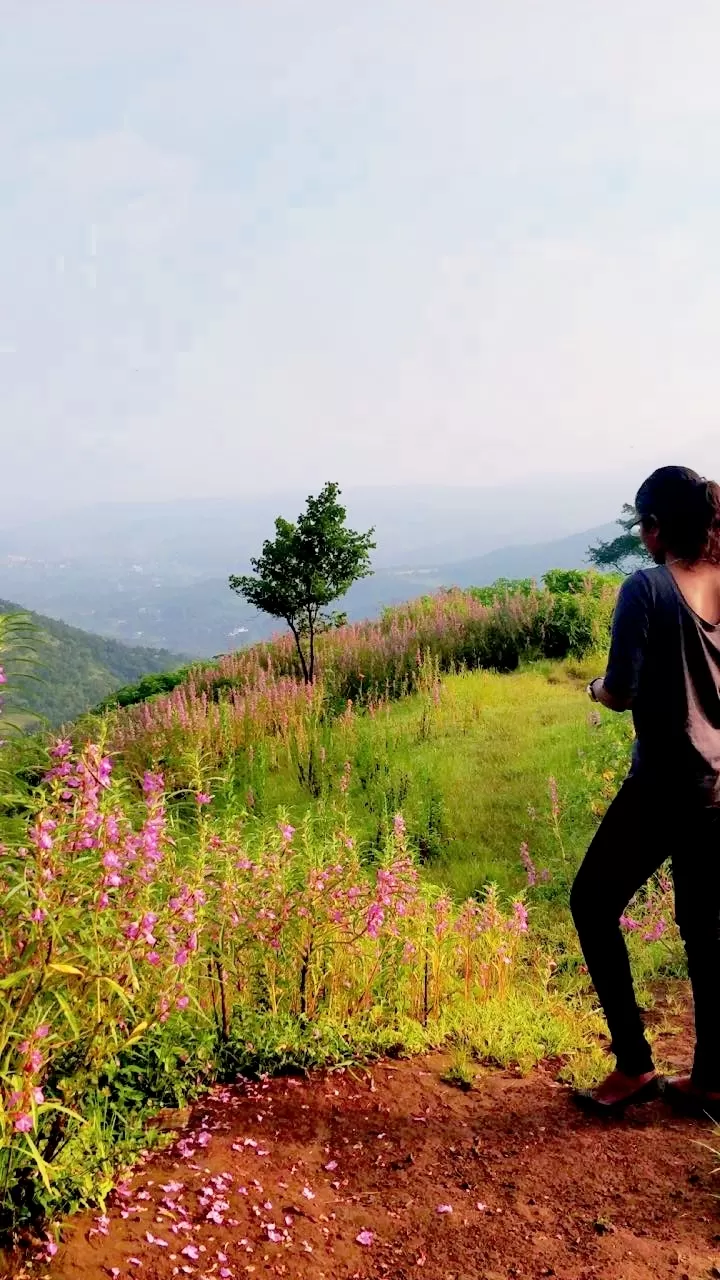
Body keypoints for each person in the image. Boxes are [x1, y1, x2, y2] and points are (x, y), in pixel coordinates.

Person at [570, 465, 720, 1115]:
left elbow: (621, 690)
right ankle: (710, 1079)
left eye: (642, 525)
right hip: (718, 786)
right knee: (705, 933)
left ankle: (634, 1064)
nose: (640, 536)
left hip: (664, 785)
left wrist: (593, 690)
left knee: (591, 902)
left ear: (656, 528)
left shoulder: (646, 589)